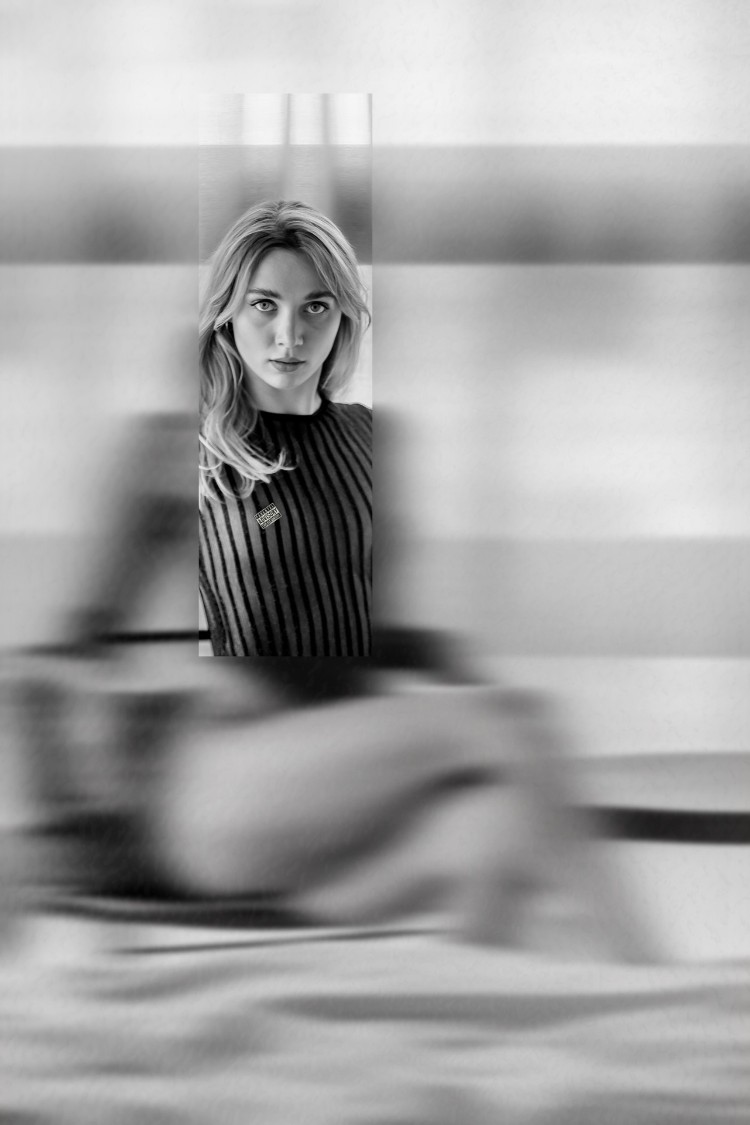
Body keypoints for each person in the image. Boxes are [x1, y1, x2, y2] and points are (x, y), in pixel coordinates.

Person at [199, 200, 372, 657]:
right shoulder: (193, 452)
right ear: (226, 313)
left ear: (343, 316)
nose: (289, 336)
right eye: (264, 304)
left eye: (315, 306)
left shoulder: (370, 432)